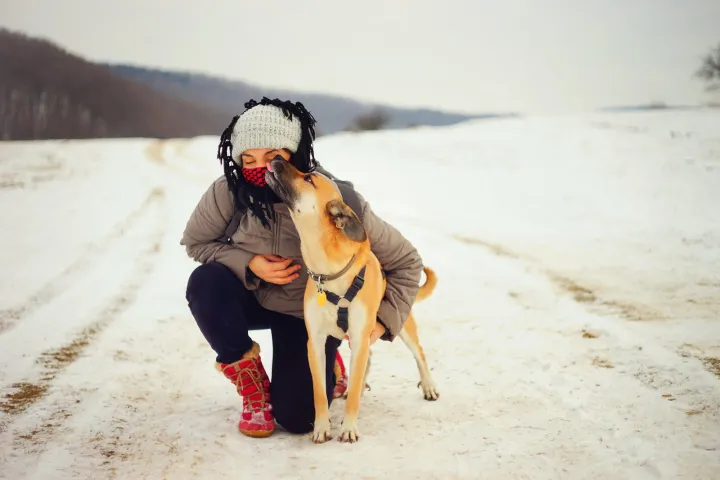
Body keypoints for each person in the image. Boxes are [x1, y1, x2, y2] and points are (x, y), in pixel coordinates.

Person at [180, 97, 424, 438]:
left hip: (307, 314)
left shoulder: (336, 199)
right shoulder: (229, 193)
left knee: (299, 419)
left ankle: (330, 365)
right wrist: (249, 264)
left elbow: (406, 262)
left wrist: (382, 321)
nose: (259, 168)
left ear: (293, 154)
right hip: (251, 297)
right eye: (248, 159)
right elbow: (197, 243)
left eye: (272, 157)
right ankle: (252, 385)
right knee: (205, 284)